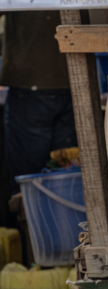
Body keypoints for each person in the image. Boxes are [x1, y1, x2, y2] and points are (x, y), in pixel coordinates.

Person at [0, 12, 77, 193]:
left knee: (28, 181)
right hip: (73, 80)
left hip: (31, 81)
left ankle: (29, 210)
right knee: (65, 177)